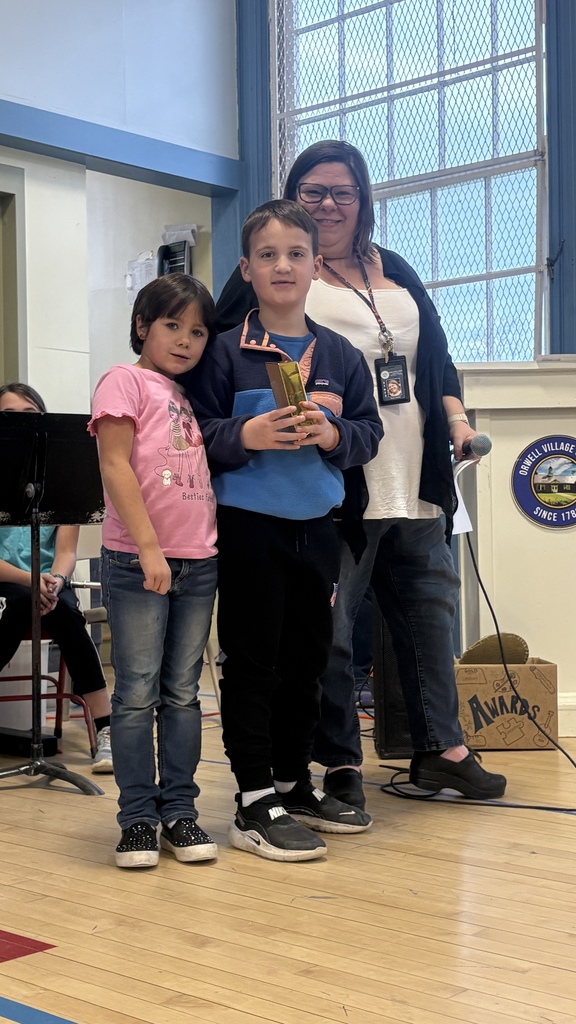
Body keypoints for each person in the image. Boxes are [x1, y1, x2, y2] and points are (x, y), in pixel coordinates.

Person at [215, 140, 507, 810]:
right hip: (333, 485)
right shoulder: (279, 268)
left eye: (341, 192)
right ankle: (338, 763)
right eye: (313, 191)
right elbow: (221, 354)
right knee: (333, 636)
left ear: (364, 199)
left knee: (431, 615)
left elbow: (435, 357)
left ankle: (442, 749)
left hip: (416, 473)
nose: (327, 204)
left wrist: (457, 421)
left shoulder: (395, 268)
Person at [184, 199, 381, 862]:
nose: (282, 265)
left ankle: (295, 784)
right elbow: (196, 434)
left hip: (317, 529)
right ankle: (252, 799)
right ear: (247, 267)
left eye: (295, 253)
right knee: (253, 663)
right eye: (266, 255)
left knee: (309, 660)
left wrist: (333, 434)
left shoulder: (343, 357)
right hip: (248, 529)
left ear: (315, 264)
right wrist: (244, 433)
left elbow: (368, 435)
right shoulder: (222, 355)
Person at [89, 274, 219, 869]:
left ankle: (180, 813)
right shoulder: (124, 380)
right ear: (143, 326)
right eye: (173, 325)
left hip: (200, 561)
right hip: (140, 561)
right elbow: (115, 466)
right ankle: (137, 818)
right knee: (137, 693)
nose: (186, 340)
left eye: (197, 331)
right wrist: (147, 548)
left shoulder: (187, 395)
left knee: (183, 694)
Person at [0, 382, 113, 774]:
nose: (21, 424)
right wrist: (32, 582)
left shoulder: (59, 478)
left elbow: (65, 552)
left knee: (65, 610)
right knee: (16, 605)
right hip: (8, 583)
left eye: (29, 415)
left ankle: (105, 729)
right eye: (9, 417)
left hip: (50, 585)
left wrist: (55, 582)